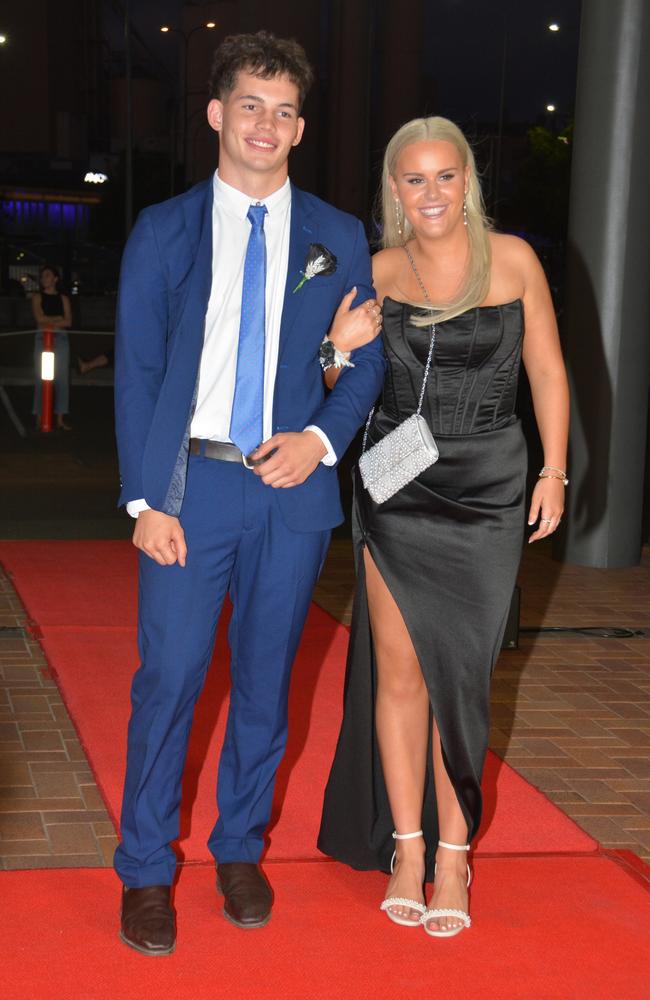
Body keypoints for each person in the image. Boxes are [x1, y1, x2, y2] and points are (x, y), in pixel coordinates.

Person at [113, 31, 385, 956]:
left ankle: (237, 849)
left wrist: (318, 441)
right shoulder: (164, 229)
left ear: (299, 126)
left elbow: (363, 363)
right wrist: (146, 506)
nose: (265, 124)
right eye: (250, 105)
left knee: (267, 687)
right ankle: (147, 869)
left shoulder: (339, 236)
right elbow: (139, 373)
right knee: (171, 681)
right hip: (190, 488)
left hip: (291, 495)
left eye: (283, 110)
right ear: (217, 114)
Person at [318, 116, 570, 938]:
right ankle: (408, 848)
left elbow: (548, 371)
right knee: (400, 676)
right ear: (395, 189)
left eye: (445, 176)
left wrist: (554, 471)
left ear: (469, 181)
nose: (431, 194)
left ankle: (456, 857)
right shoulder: (377, 268)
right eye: (414, 179)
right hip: (397, 482)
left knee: (462, 675)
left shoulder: (517, 261)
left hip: (491, 483)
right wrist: (333, 349)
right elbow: (333, 377)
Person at [31, 264, 72, 430]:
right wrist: (58, 319)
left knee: (62, 379)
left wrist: (51, 321)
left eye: (47, 275)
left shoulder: (64, 299)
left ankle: (60, 418)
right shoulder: (36, 297)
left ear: (55, 279)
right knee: (42, 377)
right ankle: (40, 415)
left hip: (61, 339)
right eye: (42, 276)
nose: (44, 279)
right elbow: (40, 320)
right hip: (42, 338)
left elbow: (69, 321)